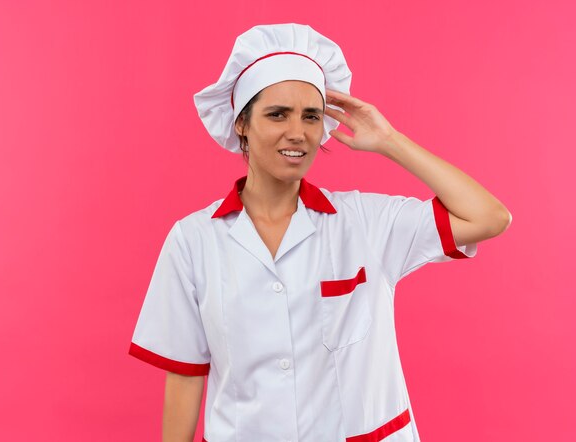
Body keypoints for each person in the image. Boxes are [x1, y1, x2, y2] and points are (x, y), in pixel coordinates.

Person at [129, 23, 512, 442]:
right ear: (242, 123)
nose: (298, 132)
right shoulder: (193, 241)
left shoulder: (366, 222)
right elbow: (185, 377)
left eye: (311, 116)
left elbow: (489, 217)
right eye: (277, 114)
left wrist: (389, 140)